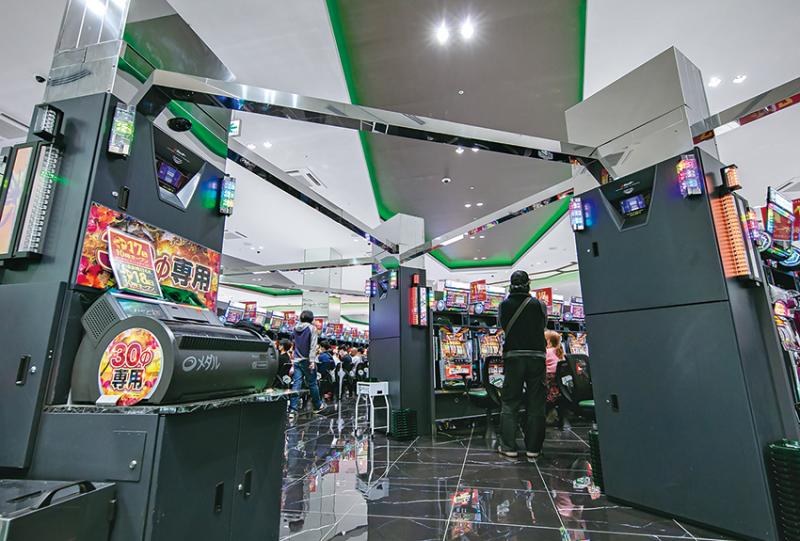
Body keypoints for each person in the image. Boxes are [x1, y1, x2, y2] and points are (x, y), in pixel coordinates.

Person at [498, 270, 548, 459]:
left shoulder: (504, 305)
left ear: (511, 285)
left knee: (510, 401)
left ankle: (508, 447)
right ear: (529, 284)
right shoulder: (539, 304)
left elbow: (502, 326)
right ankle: (533, 448)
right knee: (536, 402)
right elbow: (543, 326)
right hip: (537, 356)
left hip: (513, 356)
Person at [289, 310, 325, 415]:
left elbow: (294, 343)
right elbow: (313, 346)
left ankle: (293, 409)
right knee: (312, 383)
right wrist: (312, 361)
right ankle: (318, 405)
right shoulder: (312, 328)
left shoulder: (295, 328)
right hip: (307, 360)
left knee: (296, 383)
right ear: (311, 318)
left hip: (297, 360)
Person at [545, 330, 566, 427]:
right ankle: (552, 411)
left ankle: (549, 411)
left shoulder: (547, 351)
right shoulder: (559, 352)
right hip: (558, 383)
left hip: (548, 379)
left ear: (548, 341)